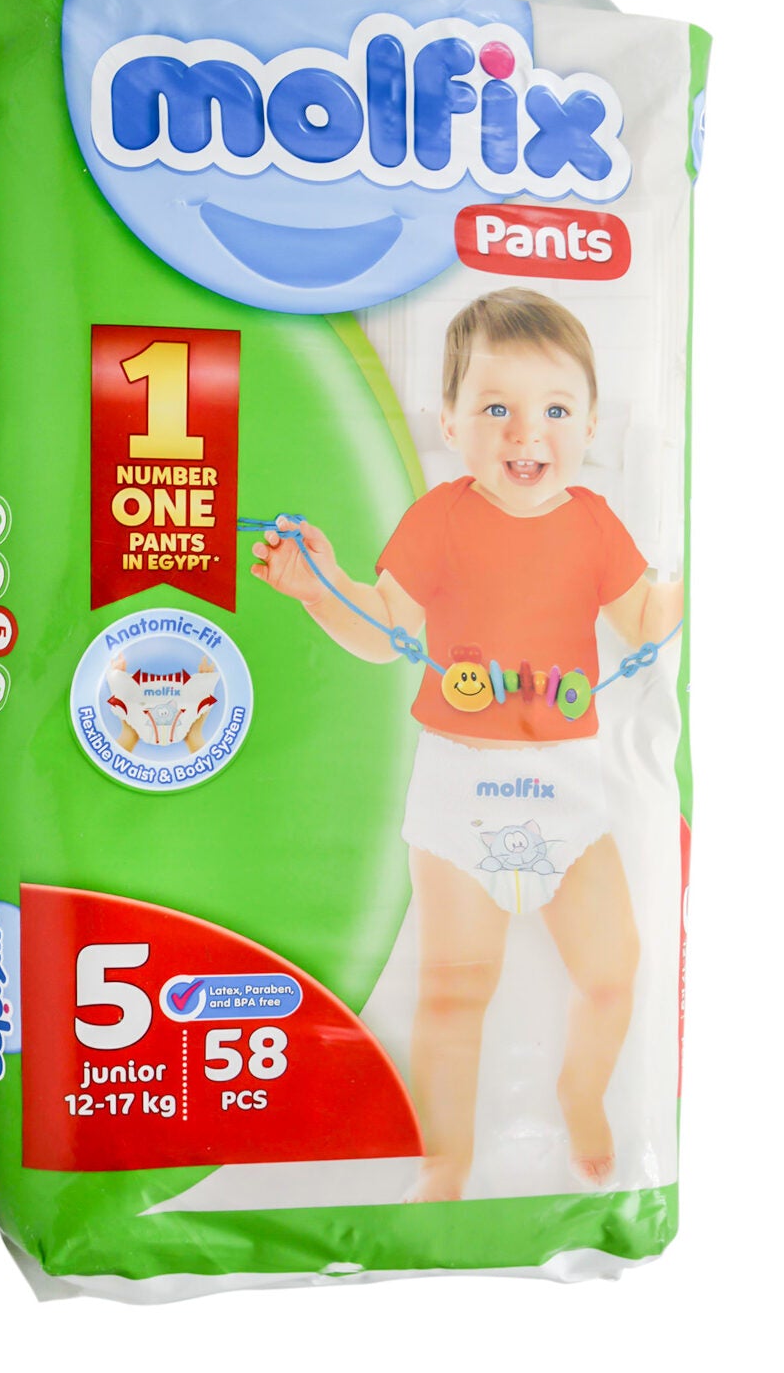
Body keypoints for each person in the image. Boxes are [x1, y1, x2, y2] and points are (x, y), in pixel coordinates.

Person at [252, 287, 683, 1201]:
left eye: (555, 410)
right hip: (458, 787)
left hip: (569, 786)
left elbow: (647, 618)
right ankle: (444, 1160)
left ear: (590, 423)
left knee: (614, 973)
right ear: (448, 421)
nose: (527, 433)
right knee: (453, 990)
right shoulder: (440, 519)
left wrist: (687, 580)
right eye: (496, 409)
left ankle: (581, 1094)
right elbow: (384, 630)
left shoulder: (593, 524)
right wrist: (321, 589)